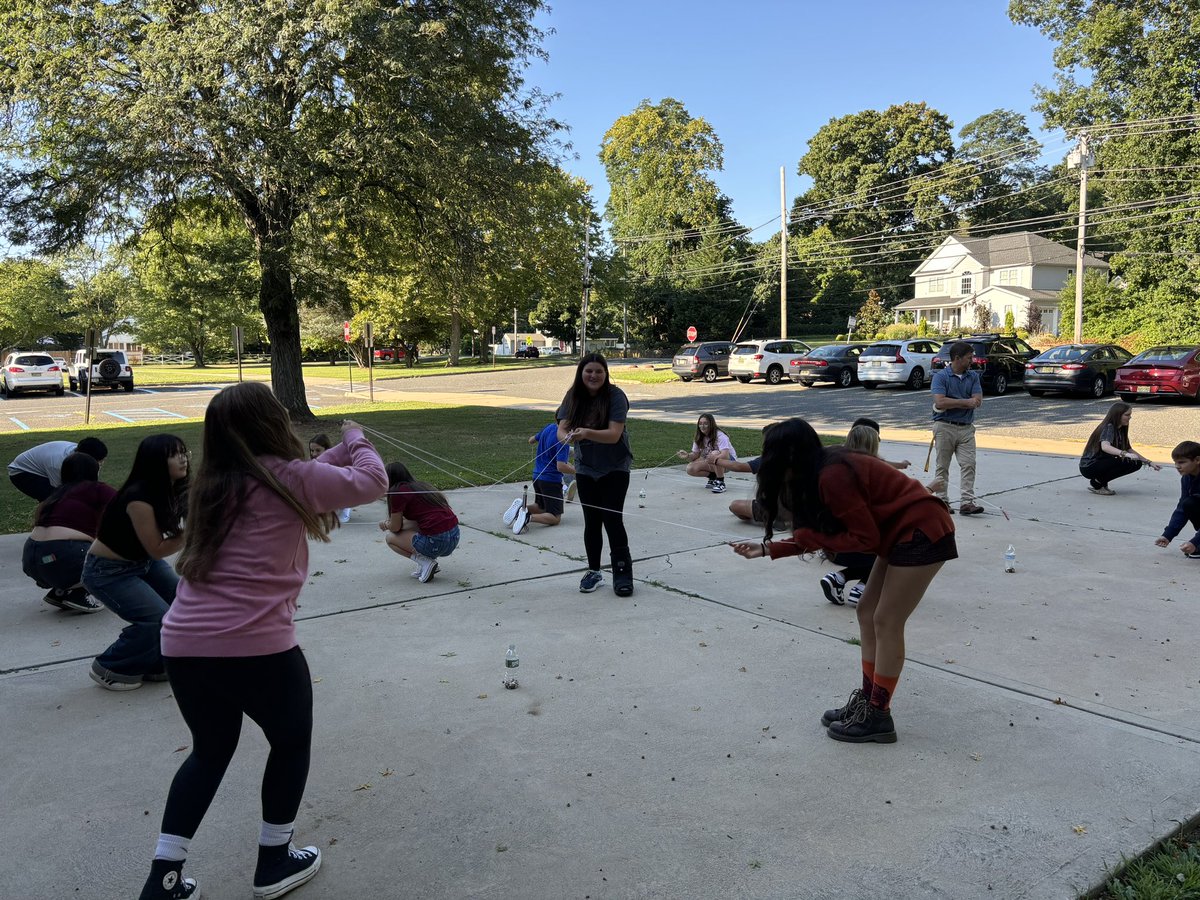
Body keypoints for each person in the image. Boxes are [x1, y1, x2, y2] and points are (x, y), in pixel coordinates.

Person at [138, 383, 386, 900]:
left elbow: (317, 475)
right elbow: (371, 480)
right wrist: (357, 436)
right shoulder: (291, 477)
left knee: (209, 752)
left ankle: (163, 878)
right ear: (272, 422)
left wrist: (336, 449)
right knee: (291, 744)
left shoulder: (210, 484)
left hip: (185, 642)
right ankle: (273, 861)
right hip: (258, 648)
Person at [731, 418, 956, 744]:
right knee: (867, 610)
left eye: (772, 455)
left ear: (790, 455)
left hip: (922, 529)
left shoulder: (832, 474)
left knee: (887, 620)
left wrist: (800, 540)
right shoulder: (819, 469)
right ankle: (869, 701)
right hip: (898, 532)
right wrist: (768, 548)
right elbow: (836, 533)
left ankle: (878, 715)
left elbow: (862, 538)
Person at [84, 434, 190, 691]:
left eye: (184, 452)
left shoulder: (175, 488)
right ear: (155, 461)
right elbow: (157, 549)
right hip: (108, 571)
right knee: (155, 619)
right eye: (175, 454)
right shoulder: (138, 498)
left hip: (141, 564)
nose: (184, 458)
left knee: (185, 606)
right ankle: (111, 666)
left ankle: (153, 663)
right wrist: (194, 532)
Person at [557, 352, 634, 596]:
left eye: (599, 371)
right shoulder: (573, 396)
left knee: (612, 520)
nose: (594, 375)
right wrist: (567, 437)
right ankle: (594, 571)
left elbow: (613, 434)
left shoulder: (615, 396)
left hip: (615, 466)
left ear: (605, 374)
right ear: (581, 373)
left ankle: (622, 573)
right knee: (591, 521)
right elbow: (562, 429)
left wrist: (586, 433)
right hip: (586, 467)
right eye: (589, 371)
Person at [22, 451, 116, 613]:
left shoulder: (54, 495)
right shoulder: (97, 489)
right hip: (63, 557)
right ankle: (81, 593)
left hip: (33, 561)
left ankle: (62, 591)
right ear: (94, 471)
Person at [380, 461, 460, 583]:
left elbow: (395, 527)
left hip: (436, 542)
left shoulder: (397, 492)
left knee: (390, 538)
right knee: (411, 524)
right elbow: (410, 523)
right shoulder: (421, 486)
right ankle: (427, 562)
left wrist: (386, 524)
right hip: (454, 538)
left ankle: (425, 562)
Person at [931, 342, 984, 515]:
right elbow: (940, 402)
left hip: (966, 428)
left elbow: (977, 400)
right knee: (942, 466)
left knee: (969, 464)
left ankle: (967, 502)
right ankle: (942, 501)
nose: (972, 361)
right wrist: (965, 402)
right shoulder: (941, 377)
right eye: (969, 358)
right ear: (957, 358)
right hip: (944, 426)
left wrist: (953, 402)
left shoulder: (973, 376)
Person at [503, 423, 576, 534]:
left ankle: (521, 508)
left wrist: (536, 440)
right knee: (555, 518)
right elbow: (561, 466)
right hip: (551, 481)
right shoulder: (563, 441)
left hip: (537, 476)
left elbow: (531, 440)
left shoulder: (549, 428)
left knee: (541, 507)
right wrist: (579, 471)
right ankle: (528, 517)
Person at [1079, 401, 1161, 495]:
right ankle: (1098, 483)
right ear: (1117, 415)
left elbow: (1129, 449)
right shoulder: (1108, 427)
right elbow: (1105, 447)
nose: (1130, 417)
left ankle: (1101, 483)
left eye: (1130, 415)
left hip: (1101, 462)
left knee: (1135, 463)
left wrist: (1149, 462)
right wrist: (1124, 454)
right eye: (1127, 415)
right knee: (1121, 460)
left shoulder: (1121, 429)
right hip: (1089, 466)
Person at [8, 436, 108, 501]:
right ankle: (44, 527)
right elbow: (60, 490)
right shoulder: (58, 464)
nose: (100, 464)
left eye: (102, 461)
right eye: (98, 461)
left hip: (44, 466)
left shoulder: (83, 453)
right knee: (53, 499)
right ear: (87, 458)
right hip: (21, 472)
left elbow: (90, 485)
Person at [1155, 440, 1200, 557]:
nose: (1177, 466)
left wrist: (1195, 542)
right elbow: (1182, 509)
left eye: (1182, 462)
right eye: (1175, 462)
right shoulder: (1187, 478)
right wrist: (1168, 535)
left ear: (1197, 460)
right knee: (1188, 504)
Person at [676, 413, 737, 493]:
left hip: (729, 462)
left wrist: (712, 458)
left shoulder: (720, 436)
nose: (702, 426)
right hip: (712, 460)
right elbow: (695, 455)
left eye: (705, 423)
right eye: (700, 424)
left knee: (715, 454)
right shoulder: (699, 437)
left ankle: (720, 482)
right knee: (690, 468)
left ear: (711, 424)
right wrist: (687, 455)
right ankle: (713, 477)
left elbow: (725, 455)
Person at [309, 433, 352, 523]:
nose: (314, 454)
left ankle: (344, 509)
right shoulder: (313, 465)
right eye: (312, 450)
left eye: (318, 450)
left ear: (327, 450)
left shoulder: (336, 464)